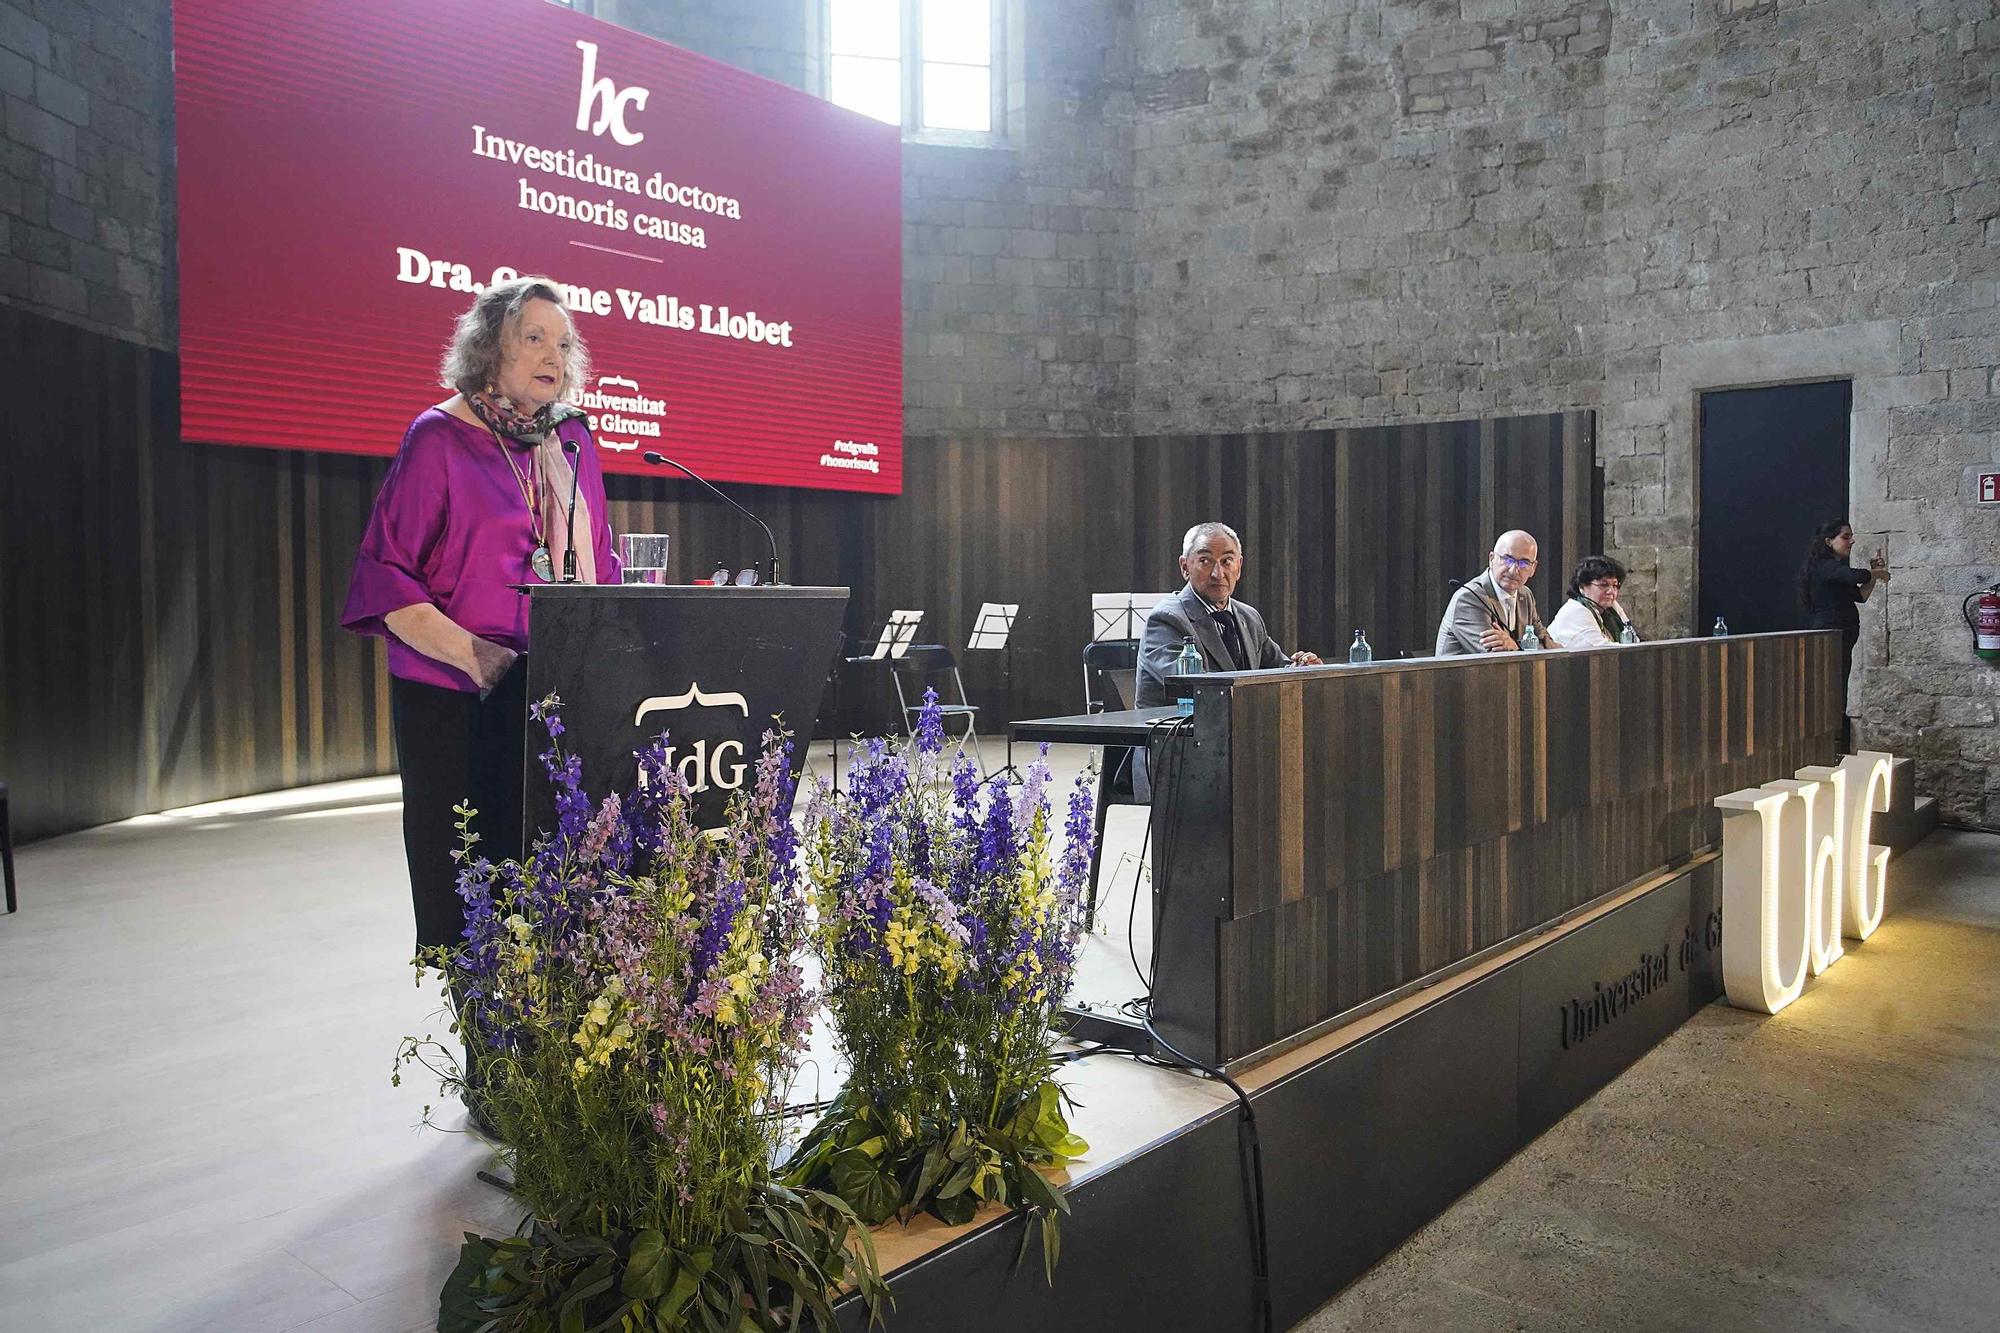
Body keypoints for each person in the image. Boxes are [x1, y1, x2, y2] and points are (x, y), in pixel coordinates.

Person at [341, 277, 622, 966]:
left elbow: (604, 568)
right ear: (490, 347)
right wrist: (481, 657)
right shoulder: (439, 438)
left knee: (554, 904)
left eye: (563, 343)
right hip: (456, 701)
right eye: (533, 337)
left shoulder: (575, 442)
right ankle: (489, 1065)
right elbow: (387, 577)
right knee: (478, 914)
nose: (552, 354)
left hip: (551, 700)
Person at [1135, 522, 1321, 709]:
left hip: (1241, 727)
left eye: (1227, 561)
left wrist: (1302, 671)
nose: (1218, 573)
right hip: (1183, 733)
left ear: (1238, 567)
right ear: (1185, 567)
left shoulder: (1249, 617)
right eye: (1205, 561)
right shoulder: (1166, 620)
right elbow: (1198, 690)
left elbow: (1279, 670)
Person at [1799, 518, 1890, 745]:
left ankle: (1835, 738)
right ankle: (1827, 740)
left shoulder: (1836, 570)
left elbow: (1860, 596)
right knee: (1829, 687)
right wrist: (1875, 574)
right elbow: (1859, 576)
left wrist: (1876, 573)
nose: (1851, 541)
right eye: (1845, 537)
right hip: (1830, 635)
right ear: (1829, 541)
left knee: (1839, 686)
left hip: (1843, 636)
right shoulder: (1824, 566)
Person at [1435, 530, 1561, 655]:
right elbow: (1492, 654)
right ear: (1491, 559)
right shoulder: (1469, 598)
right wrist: (1521, 646)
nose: (1513, 570)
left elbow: (1547, 644)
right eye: (1507, 559)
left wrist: (1514, 645)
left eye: (1523, 563)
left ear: (1533, 568)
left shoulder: (1525, 595)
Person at [1548, 555, 1639, 648]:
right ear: (1582, 587)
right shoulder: (1576, 611)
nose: (1611, 591)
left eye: (1615, 585)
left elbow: (1633, 639)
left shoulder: (1612, 607)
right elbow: (1600, 649)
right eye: (1604, 585)